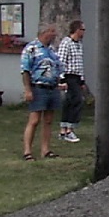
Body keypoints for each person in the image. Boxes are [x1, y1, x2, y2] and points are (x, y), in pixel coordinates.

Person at [20, 24, 65, 160]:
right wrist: (28, 90)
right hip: (38, 87)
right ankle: (27, 151)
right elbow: (25, 71)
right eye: (52, 32)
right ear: (44, 33)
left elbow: (57, 68)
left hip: (52, 88)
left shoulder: (52, 50)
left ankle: (45, 150)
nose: (54, 34)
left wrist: (59, 83)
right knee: (34, 120)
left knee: (49, 120)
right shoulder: (31, 49)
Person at [56, 20, 88, 143]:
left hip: (76, 76)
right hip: (68, 76)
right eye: (82, 29)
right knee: (75, 101)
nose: (84, 32)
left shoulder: (79, 44)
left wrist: (82, 80)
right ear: (77, 30)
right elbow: (61, 61)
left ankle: (64, 130)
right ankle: (69, 129)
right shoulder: (66, 43)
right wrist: (62, 79)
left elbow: (79, 64)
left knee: (71, 102)